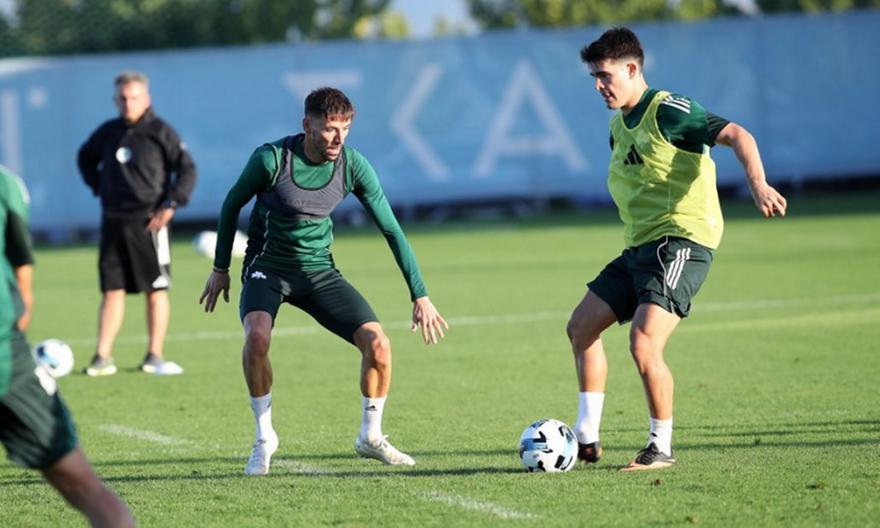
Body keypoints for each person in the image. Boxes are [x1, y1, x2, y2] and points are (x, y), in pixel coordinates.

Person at [568, 28, 787, 471]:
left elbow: (737, 134)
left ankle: (660, 447)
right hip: (640, 247)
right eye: (594, 77)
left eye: (605, 75)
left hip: (682, 241)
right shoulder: (618, 126)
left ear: (632, 69)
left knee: (644, 341)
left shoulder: (669, 111)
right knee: (580, 328)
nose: (599, 85)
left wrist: (758, 183)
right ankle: (586, 436)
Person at [199, 87, 448, 475]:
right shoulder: (271, 159)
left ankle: (370, 437)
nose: (338, 138)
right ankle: (264, 439)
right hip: (269, 268)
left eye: (345, 129)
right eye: (330, 128)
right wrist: (220, 268)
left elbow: (391, 229)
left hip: (318, 272)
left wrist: (421, 294)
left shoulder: (352, 165)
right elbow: (232, 204)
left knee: (378, 345)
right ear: (307, 125)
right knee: (257, 338)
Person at [0, 164, 135, 527]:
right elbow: (23, 276)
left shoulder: (5, 185)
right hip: (7, 357)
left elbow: (22, 269)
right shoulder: (6, 183)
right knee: (82, 484)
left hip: (7, 357)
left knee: (81, 482)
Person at [77, 70, 196, 377]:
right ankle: (102, 357)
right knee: (112, 289)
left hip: (150, 223)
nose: (128, 103)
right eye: (123, 98)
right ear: (115, 100)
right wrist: (100, 187)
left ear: (146, 99)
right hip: (113, 221)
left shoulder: (160, 131)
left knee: (155, 289)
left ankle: (154, 354)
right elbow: (84, 158)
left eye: (134, 97)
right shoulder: (108, 132)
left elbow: (187, 169)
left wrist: (171, 204)